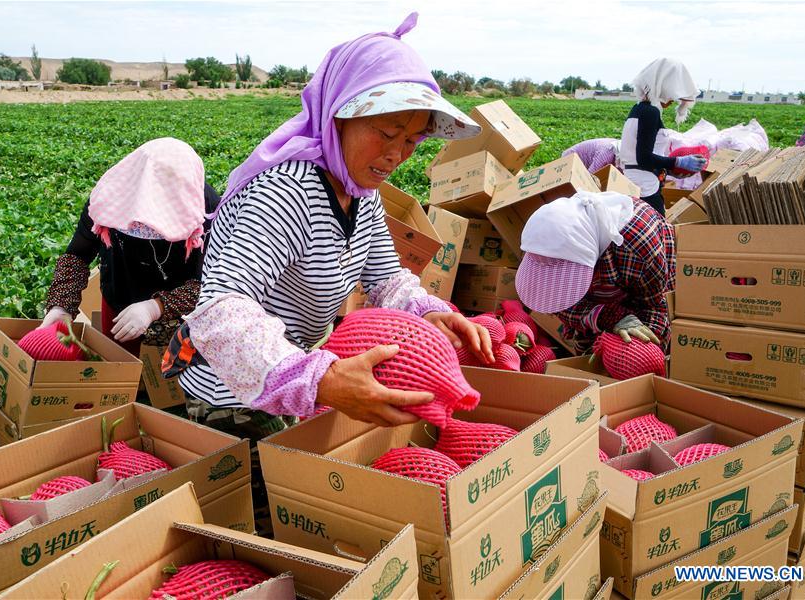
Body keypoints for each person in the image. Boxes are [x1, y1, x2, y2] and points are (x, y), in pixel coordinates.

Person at [163, 13, 495, 535]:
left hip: (298, 385)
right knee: (276, 530)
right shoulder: (285, 194)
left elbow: (387, 279)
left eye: (412, 141)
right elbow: (222, 311)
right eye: (386, 133)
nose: (396, 155)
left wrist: (434, 312)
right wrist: (322, 378)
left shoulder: (359, 196)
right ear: (336, 116)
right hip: (235, 400)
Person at [41, 138, 220, 356]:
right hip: (121, 293)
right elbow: (78, 255)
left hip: (184, 306)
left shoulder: (206, 209)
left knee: (173, 377)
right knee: (119, 368)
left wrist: (156, 307)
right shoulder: (106, 199)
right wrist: (60, 306)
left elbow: (214, 282)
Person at [514, 191, 675, 355]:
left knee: (639, 353)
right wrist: (606, 316)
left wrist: (640, 351)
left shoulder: (639, 249)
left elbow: (656, 306)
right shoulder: (544, 243)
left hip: (645, 283)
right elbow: (553, 299)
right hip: (607, 291)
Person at [618, 58, 707, 216]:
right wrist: (678, 162)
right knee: (660, 234)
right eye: (672, 94)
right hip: (645, 188)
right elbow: (643, 158)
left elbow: (638, 155)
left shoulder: (638, 109)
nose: (673, 100)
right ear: (662, 86)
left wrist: (669, 169)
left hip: (636, 182)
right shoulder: (650, 113)